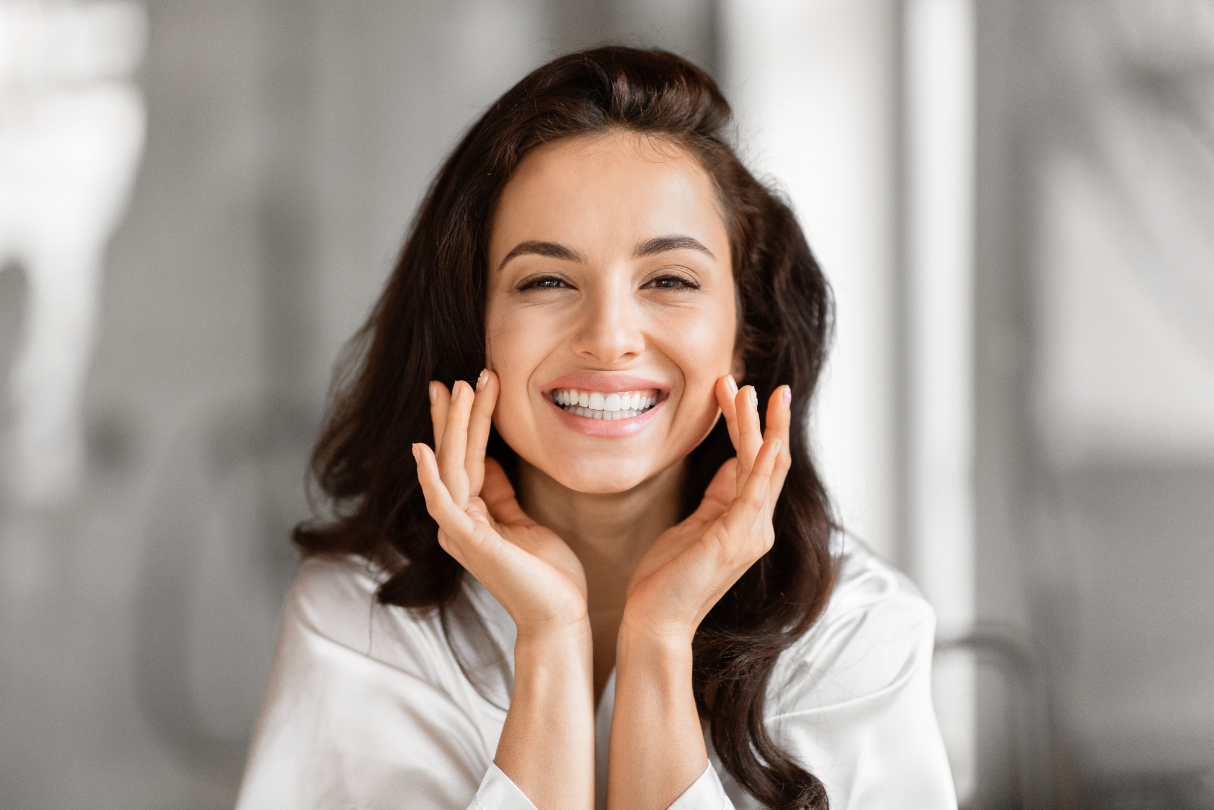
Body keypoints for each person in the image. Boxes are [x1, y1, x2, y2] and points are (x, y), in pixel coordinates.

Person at [236, 47, 956, 810]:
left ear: (748, 337)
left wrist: (658, 643)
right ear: (470, 329)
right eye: (546, 280)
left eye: (669, 281)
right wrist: (549, 638)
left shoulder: (853, 632)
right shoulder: (360, 621)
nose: (609, 336)